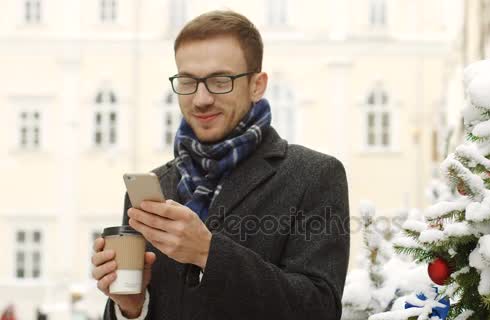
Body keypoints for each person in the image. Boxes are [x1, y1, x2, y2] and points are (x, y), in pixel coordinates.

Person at [91, 10, 350, 320]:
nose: (201, 99)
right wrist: (130, 307)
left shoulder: (315, 175)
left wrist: (207, 252)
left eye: (219, 81)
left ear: (257, 85)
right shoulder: (153, 186)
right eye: (187, 81)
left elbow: (320, 309)